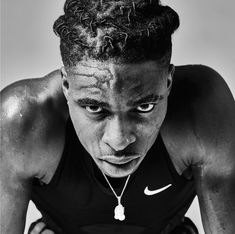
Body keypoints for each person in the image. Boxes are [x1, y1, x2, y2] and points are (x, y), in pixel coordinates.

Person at [1, 0, 235, 233]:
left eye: (144, 107)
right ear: (66, 85)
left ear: (168, 82)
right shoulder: (23, 122)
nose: (119, 140)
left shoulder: (202, 111)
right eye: (95, 109)